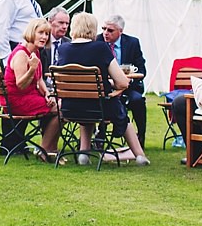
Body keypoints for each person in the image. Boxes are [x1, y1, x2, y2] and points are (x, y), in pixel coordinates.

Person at [59, 13, 149, 165]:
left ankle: (84, 154)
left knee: (86, 111)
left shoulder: (64, 49)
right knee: (119, 111)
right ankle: (139, 155)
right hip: (100, 108)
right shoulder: (100, 48)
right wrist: (113, 85)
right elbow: (122, 83)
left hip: (70, 107)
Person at [4, 17, 62, 161]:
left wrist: (48, 94)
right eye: (41, 33)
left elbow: (40, 79)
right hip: (18, 100)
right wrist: (32, 69)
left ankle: (49, 148)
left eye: (47, 34)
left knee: (59, 105)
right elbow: (20, 85)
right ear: (31, 32)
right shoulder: (21, 54)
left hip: (32, 96)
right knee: (63, 109)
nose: (44, 37)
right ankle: (45, 149)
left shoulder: (35, 52)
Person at [100, 14, 149, 143]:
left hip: (128, 86)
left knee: (138, 100)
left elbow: (142, 69)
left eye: (110, 30)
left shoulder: (132, 43)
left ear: (120, 31)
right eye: (103, 28)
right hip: (106, 87)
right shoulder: (97, 42)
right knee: (102, 101)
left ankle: (141, 135)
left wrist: (128, 81)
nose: (105, 33)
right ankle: (100, 136)